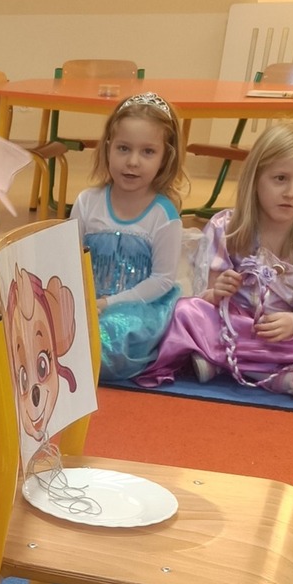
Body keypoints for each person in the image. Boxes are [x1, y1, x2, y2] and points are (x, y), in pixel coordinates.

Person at [137, 121, 293, 399]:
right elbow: (206, 298)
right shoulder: (226, 227)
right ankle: (263, 370)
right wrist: (218, 292)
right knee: (185, 311)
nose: (291, 192)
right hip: (231, 327)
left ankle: (238, 365)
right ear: (255, 178)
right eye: (280, 178)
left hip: (281, 339)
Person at [70, 91, 187, 381]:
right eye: (123, 148)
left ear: (165, 157)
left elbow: (162, 280)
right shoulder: (87, 202)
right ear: (108, 147)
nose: (132, 161)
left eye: (148, 152)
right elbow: (68, 260)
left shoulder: (163, 215)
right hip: (87, 302)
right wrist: (82, 301)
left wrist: (109, 304)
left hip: (137, 310)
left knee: (109, 338)